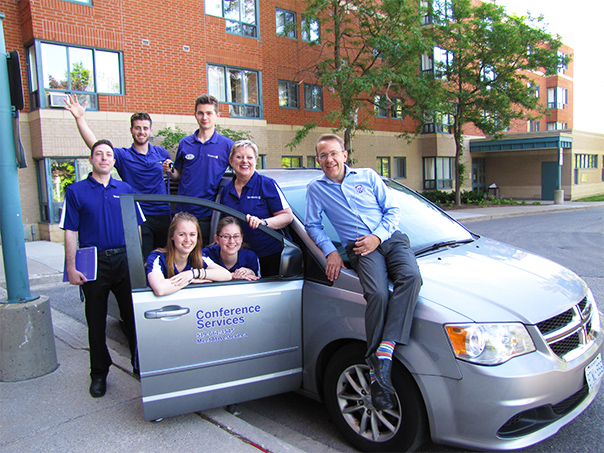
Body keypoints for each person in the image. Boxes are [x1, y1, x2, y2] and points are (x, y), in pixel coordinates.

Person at [305, 134, 422, 411]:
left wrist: (378, 238)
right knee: (377, 293)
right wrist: (330, 251)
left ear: (344, 155)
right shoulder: (316, 189)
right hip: (359, 248)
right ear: (318, 160)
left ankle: (385, 349)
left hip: (390, 239)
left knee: (412, 277)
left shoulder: (368, 176)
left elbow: (393, 210)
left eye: (334, 153)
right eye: (323, 156)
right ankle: (377, 366)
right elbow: (312, 225)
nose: (329, 160)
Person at [60, 139, 145, 398]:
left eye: (109, 154)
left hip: (123, 261)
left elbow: (137, 226)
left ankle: (139, 365)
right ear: (91, 160)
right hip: (92, 263)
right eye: (99, 154)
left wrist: (137, 259)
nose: (104, 158)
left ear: (113, 160)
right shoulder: (76, 192)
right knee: (96, 323)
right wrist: (71, 266)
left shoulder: (126, 188)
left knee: (132, 318)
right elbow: (70, 231)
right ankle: (99, 373)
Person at [63, 94, 172, 261]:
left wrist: (170, 169)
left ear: (150, 130)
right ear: (131, 130)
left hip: (163, 213)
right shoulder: (122, 155)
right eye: (137, 128)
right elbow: (96, 145)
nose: (141, 132)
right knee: (142, 261)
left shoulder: (161, 153)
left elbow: (176, 174)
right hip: (139, 216)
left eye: (145, 128)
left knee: (166, 258)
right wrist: (80, 118)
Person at [162, 94, 234, 245]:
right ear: (195, 114)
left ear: (217, 115)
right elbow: (178, 176)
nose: (204, 117)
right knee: (181, 257)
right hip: (182, 213)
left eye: (209, 113)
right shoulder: (185, 143)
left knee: (202, 259)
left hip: (207, 213)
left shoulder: (227, 145)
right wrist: (170, 171)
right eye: (200, 113)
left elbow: (239, 173)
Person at [220, 140, 293, 276]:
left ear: (255, 161)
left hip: (269, 255)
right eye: (239, 157)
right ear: (231, 161)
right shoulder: (226, 190)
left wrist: (264, 222)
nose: (244, 161)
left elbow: (287, 216)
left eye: (249, 157)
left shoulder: (267, 185)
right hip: (239, 257)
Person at [146, 212, 232, 296]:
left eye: (192, 234)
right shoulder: (157, 257)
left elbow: (226, 275)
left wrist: (194, 274)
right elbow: (160, 289)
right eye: (182, 234)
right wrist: (189, 279)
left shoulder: (199, 256)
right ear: (172, 236)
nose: (187, 239)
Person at [203, 216, 260, 281]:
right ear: (217, 239)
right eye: (226, 236)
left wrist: (251, 272)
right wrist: (233, 275)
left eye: (236, 236)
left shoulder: (250, 257)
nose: (231, 241)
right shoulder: (206, 254)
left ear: (242, 238)